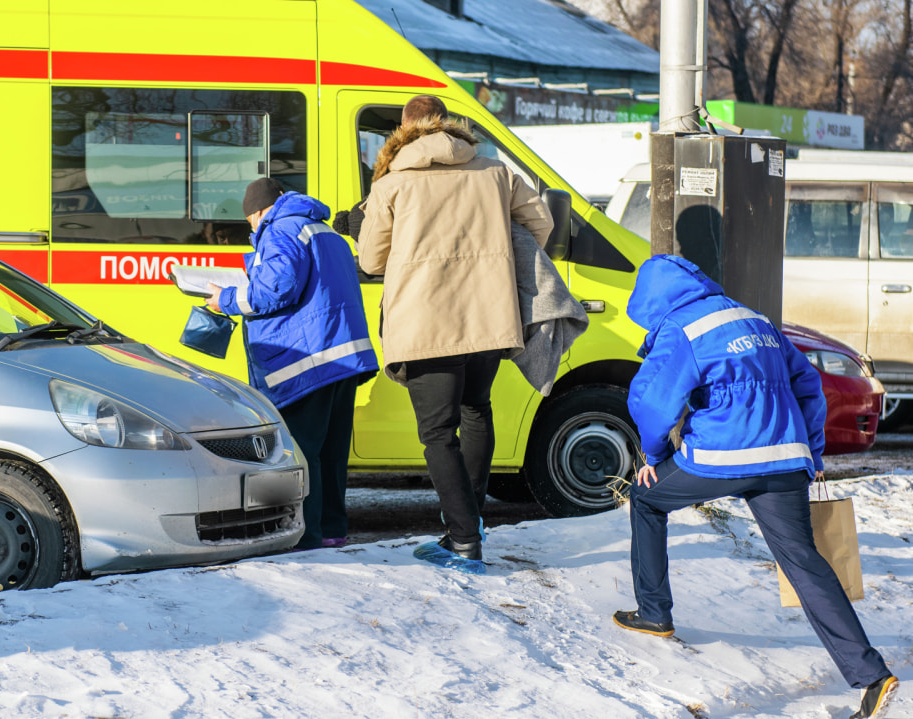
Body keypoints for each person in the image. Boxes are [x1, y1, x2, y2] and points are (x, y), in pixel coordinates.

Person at [617, 254, 899, 719]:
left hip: (720, 457)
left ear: (650, 299)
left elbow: (651, 401)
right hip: (784, 457)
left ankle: (654, 613)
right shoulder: (754, 317)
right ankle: (871, 676)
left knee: (646, 499)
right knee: (804, 562)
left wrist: (653, 456)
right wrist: (810, 449)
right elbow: (808, 382)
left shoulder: (682, 328)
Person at [356, 95, 553, 563]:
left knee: (438, 433)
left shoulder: (392, 184)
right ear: (448, 124)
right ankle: (469, 521)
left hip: (424, 322)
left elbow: (370, 260)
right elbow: (540, 223)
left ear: (404, 131)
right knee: (476, 412)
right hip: (489, 315)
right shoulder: (494, 172)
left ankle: (464, 538)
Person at [206, 178, 379, 550]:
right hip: (342, 356)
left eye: (251, 222)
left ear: (257, 213)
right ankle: (333, 529)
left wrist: (228, 299)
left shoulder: (281, 228)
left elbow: (275, 289)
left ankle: (308, 536)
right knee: (333, 452)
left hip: (309, 363)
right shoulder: (322, 230)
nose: (253, 230)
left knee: (303, 452)